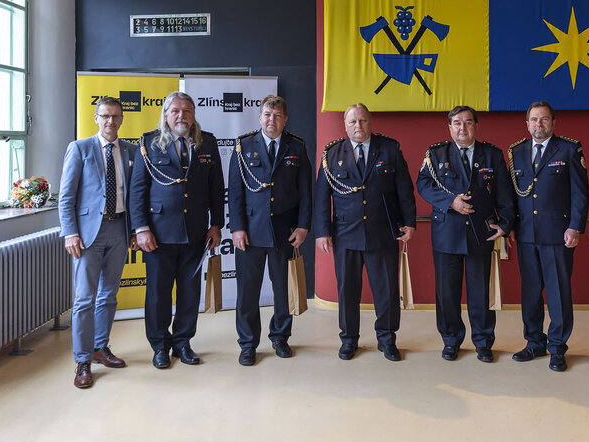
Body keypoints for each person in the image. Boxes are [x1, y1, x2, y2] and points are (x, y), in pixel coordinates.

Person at [314, 103, 416, 361]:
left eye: (362, 120)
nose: (358, 126)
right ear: (345, 125)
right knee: (347, 291)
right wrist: (322, 231)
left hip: (383, 232)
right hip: (345, 234)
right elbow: (322, 196)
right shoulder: (331, 153)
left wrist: (409, 222)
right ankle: (349, 340)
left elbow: (404, 189)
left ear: (370, 122)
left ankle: (387, 339)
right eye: (352, 121)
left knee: (387, 291)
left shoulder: (390, 149)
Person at [130, 91, 225, 369]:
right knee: (158, 294)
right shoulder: (148, 143)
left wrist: (216, 224)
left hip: (195, 232)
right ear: (166, 115)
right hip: (158, 234)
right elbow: (138, 191)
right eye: (175, 111)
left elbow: (216, 187)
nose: (181, 116)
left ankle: (183, 342)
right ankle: (160, 345)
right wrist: (141, 228)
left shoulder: (208, 142)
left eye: (187, 111)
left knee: (189, 292)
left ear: (194, 115)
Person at [416, 106, 515, 362]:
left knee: (480, 292)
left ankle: (483, 342)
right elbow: (423, 184)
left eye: (468, 122)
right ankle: (451, 340)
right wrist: (450, 202)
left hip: (481, 233)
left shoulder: (492, 154)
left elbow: (504, 193)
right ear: (449, 127)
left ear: (476, 126)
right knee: (447, 293)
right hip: (447, 233)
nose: (463, 128)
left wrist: (505, 223)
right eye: (457, 123)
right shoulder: (435, 154)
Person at [59, 96, 137, 388]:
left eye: (115, 116)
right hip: (87, 234)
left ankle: (100, 348)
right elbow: (66, 196)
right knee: (84, 300)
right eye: (105, 116)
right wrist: (70, 232)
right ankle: (82, 360)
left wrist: (134, 231)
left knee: (108, 295)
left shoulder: (131, 151)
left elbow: (135, 195)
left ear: (121, 119)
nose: (110, 121)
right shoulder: (80, 149)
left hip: (120, 229)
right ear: (96, 118)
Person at [228, 95, 312, 366]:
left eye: (277, 116)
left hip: (284, 231)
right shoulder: (243, 146)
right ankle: (248, 343)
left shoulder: (296, 146)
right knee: (247, 292)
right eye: (267, 114)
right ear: (260, 117)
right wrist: (237, 227)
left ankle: (280, 337)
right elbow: (235, 192)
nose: (271, 120)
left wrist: (303, 226)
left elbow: (306, 192)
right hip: (250, 232)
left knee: (283, 290)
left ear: (285, 119)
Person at [507, 101, 588, 372]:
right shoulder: (516, 152)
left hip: (557, 234)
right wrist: (510, 226)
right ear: (527, 124)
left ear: (553, 122)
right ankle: (534, 343)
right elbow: (511, 194)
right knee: (530, 292)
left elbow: (580, 192)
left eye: (543, 119)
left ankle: (557, 348)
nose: (538, 124)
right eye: (534, 119)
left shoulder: (568, 149)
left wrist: (575, 227)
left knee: (557, 293)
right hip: (526, 234)